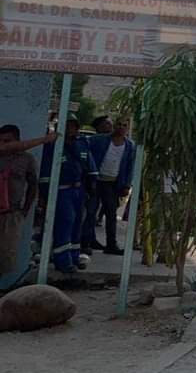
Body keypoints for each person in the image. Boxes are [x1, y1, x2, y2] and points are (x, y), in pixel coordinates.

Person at [39, 116, 97, 274]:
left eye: (73, 126)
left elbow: (90, 165)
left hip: (78, 190)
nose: (71, 129)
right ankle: (62, 261)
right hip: (61, 190)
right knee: (65, 222)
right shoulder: (53, 145)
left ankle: (74, 256)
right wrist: (44, 193)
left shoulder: (82, 144)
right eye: (67, 125)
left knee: (77, 223)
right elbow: (45, 170)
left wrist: (92, 185)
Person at [0, 125, 55, 275]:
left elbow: (32, 184)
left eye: (7, 140)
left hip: (11, 213)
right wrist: (45, 139)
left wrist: (25, 209)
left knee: (6, 255)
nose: (4, 144)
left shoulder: (26, 159)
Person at [86, 117, 135, 255]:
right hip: (96, 181)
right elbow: (86, 148)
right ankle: (86, 242)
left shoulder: (129, 146)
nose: (121, 127)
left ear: (128, 128)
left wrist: (126, 185)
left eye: (124, 125)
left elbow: (130, 167)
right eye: (119, 124)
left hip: (113, 184)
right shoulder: (100, 140)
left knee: (111, 214)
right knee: (90, 212)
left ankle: (111, 244)